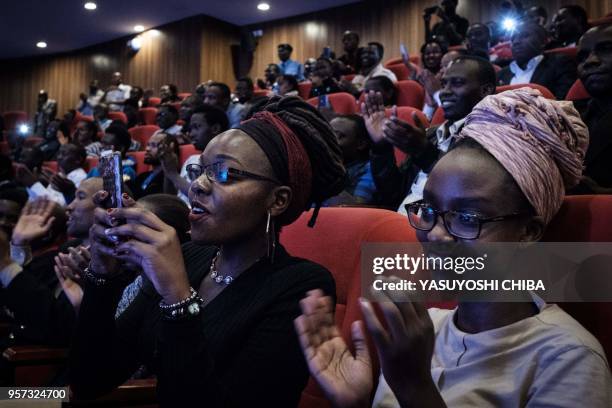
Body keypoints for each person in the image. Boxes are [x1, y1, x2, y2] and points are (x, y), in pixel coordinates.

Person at [295, 88, 611, 408]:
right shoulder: (426, 326)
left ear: (528, 232)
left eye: (467, 217)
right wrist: (358, 403)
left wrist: (415, 388)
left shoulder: (567, 359)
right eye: (429, 211)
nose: (435, 235)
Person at [68, 96, 346, 406]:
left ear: (277, 200)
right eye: (200, 170)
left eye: (223, 173)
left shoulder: (302, 285)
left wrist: (177, 296)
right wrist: (102, 274)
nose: (198, 185)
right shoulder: (188, 257)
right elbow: (89, 380)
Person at [365, 56, 496, 210]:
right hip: (400, 222)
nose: (444, 92)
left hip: (440, 229)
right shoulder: (431, 134)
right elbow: (393, 193)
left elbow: (469, 193)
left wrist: (424, 153)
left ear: (485, 90)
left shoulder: (491, 136)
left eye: (457, 83)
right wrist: (381, 148)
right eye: (444, 84)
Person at [572, 23, 612, 193]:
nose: (590, 61)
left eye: (606, 49)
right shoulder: (567, 115)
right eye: (582, 57)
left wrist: (603, 195)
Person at [162, 104, 229, 204]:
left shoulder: (226, 162)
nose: (191, 134)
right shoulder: (191, 159)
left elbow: (206, 199)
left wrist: (173, 174)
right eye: (191, 129)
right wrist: (168, 169)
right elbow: (171, 198)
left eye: (196, 127)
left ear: (215, 128)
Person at [497, 22, 577, 99]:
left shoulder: (560, 64)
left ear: (543, 41)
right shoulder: (502, 74)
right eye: (513, 38)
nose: (516, 41)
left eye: (524, 36)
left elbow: (565, 104)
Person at [325, 115, 377, 205]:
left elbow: (356, 208)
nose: (329, 140)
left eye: (338, 135)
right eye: (328, 134)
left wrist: (327, 174)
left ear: (361, 144)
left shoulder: (370, 169)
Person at [421, 48, 463, 120]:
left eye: (446, 66)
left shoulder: (464, 89)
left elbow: (454, 117)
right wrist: (430, 104)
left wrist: (436, 93)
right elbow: (425, 121)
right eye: (441, 66)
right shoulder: (442, 86)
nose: (441, 71)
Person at [132, 132, 177, 199]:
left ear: (169, 149)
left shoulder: (170, 179)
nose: (147, 149)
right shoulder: (142, 176)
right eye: (148, 145)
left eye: (154, 145)